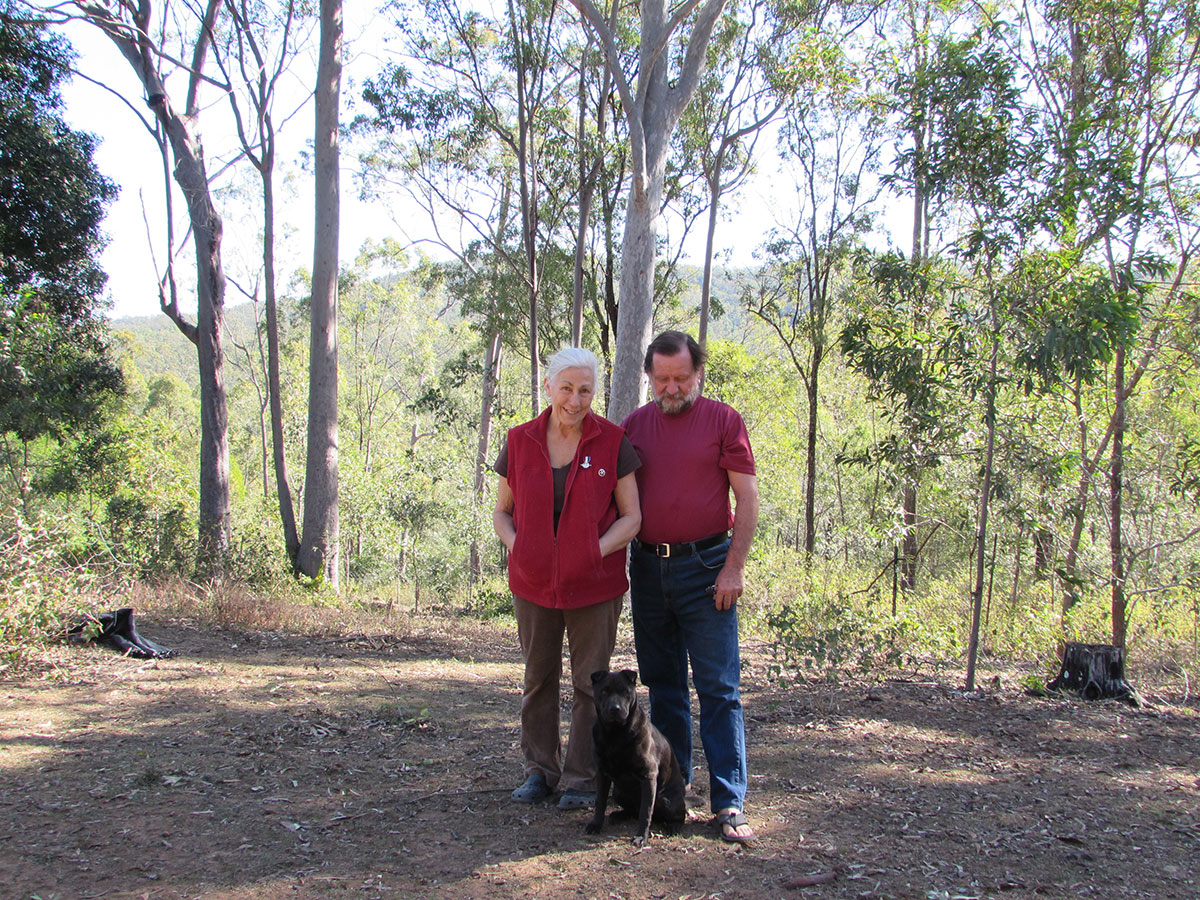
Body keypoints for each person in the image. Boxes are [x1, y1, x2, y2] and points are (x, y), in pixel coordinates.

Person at [620, 331, 760, 843]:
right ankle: (672, 797)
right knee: (665, 688)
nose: (672, 388)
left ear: (698, 373)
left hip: (708, 567)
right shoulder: (634, 427)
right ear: (650, 379)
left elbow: (746, 498)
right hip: (651, 570)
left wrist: (734, 568)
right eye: (662, 380)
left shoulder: (724, 421)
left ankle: (728, 804)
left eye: (682, 378)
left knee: (719, 688)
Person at [493, 347, 642, 810]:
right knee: (538, 678)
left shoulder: (613, 442)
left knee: (588, 684)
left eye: (585, 390)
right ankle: (539, 770)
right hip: (533, 584)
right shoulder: (520, 441)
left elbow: (632, 517)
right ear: (548, 388)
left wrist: (589, 553)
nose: (575, 400)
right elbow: (502, 512)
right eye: (567, 388)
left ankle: (581, 777)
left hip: (594, 585)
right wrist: (522, 548)